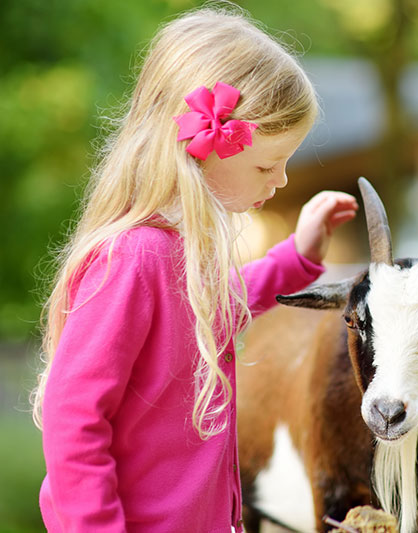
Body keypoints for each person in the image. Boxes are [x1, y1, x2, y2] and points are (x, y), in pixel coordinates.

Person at [31, 5, 358, 532]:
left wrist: (297, 255)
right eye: (266, 165)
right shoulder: (135, 259)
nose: (278, 181)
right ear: (204, 149)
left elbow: (220, 304)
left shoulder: (177, 257)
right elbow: (75, 418)